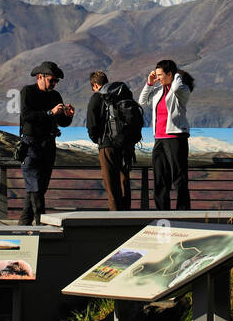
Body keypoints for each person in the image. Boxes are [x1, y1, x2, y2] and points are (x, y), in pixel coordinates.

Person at [18, 61, 73, 225]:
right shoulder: (28, 92)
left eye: (56, 81)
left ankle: (24, 223)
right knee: (34, 185)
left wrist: (67, 116)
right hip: (31, 144)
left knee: (39, 186)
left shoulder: (55, 96)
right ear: (40, 77)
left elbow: (61, 122)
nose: (54, 84)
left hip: (48, 144)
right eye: (52, 80)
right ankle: (41, 223)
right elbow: (27, 115)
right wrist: (50, 113)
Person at [138, 59, 194, 210]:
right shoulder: (158, 92)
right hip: (160, 139)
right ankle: (162, 212)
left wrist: (176, 75)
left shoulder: (182, 90)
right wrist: (149, 83)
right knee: (160, 178)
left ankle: (183, 212)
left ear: (170, 74)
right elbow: (142, 101)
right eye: (156, 75)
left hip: (176, 138)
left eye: (160, 75)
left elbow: (175, 88)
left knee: (179, 178)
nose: (158, 78)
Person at [86, 71, 140, 210]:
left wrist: (98, 139)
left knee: (111, 184)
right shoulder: (122, 94)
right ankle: (126, 215)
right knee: (124, 181)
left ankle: (115, 217)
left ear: (95, 85)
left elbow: (91, 124)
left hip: (107, 145)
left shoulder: (97, 97)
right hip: (126, 145)